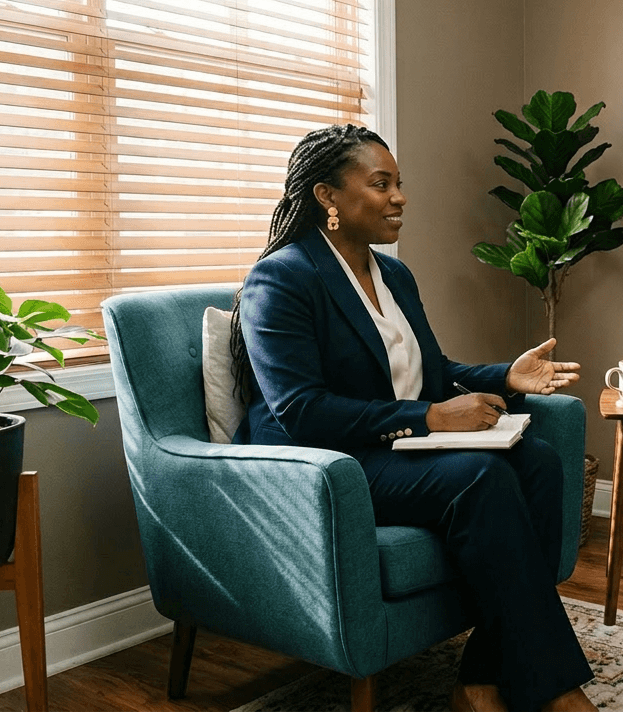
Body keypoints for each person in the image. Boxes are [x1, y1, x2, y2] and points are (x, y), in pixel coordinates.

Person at [230, 124, 597, 712]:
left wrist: (505, 376)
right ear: (327, 197)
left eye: (399, 184)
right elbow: (301, 411)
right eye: (381, 184)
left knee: (540, 462)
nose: (399, 197)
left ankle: (480, 677)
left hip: (394, 447)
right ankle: (556, 690)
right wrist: (430, 418)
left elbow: (431, 368)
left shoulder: (393, 275)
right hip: (329, 462)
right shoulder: (281, 279)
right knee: (482, 479)